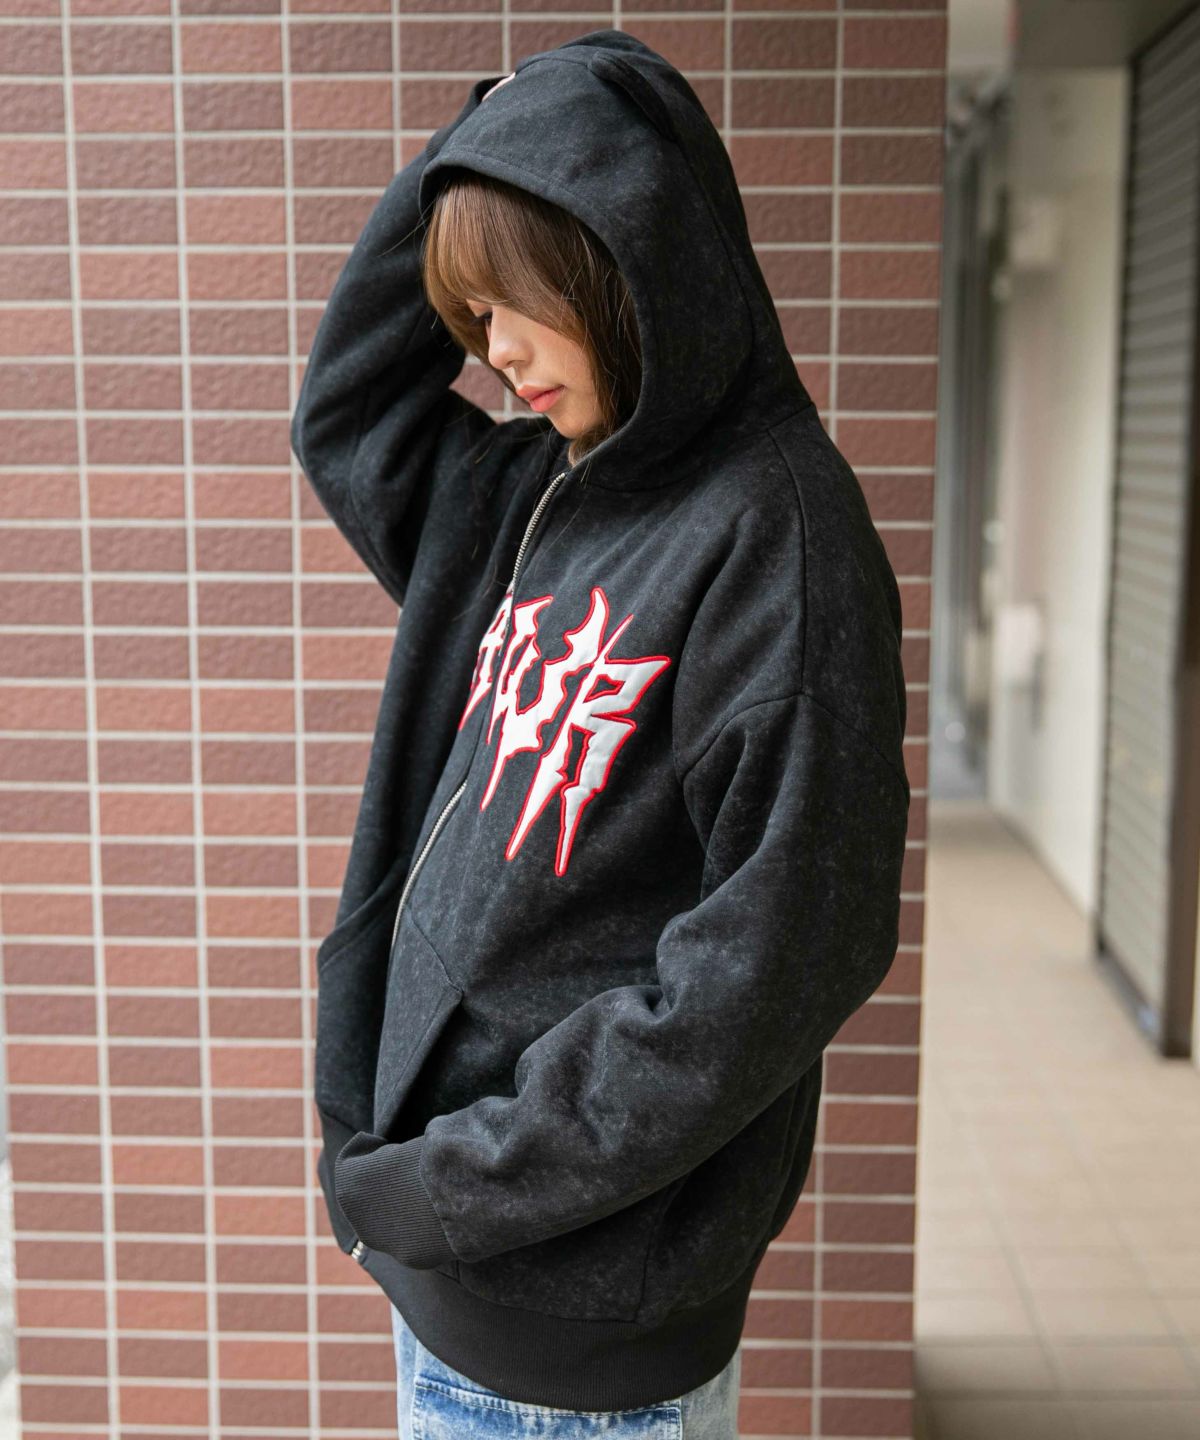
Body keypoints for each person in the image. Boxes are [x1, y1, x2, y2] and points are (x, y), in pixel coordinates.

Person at [290, 27, 910, 1439]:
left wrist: (457, 1185)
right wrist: (480, 138)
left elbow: (776, 964)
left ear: (627, 259)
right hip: (464, 1260)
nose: (493, 351)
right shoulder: (529, 498)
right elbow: (346, 411)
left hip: (572, 1322)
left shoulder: (779, 539)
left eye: (517, 301)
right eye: (470, 315)